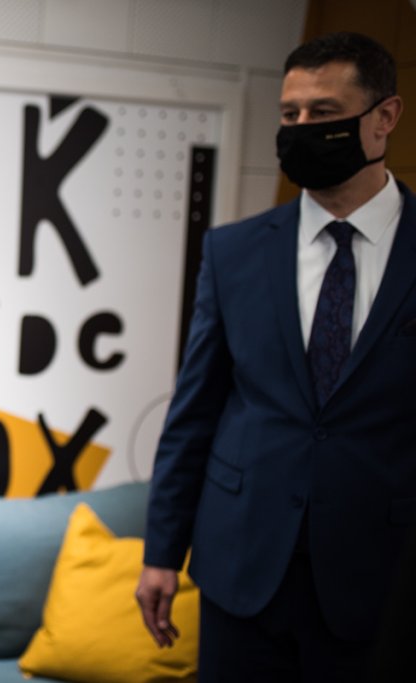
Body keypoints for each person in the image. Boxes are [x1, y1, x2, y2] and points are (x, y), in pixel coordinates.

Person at [135, 31, 415, 682]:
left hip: (379, 576)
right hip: (241, 565)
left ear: (385, 118)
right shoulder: (233, 251)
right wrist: (161, 553)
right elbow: (194, 412)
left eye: (324, 112)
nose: (302, 128)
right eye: (291, 114)